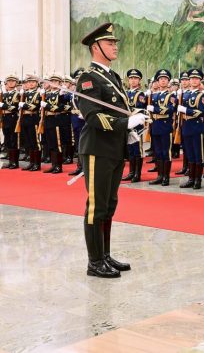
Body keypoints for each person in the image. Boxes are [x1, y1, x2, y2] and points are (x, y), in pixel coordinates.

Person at [76, 22, 147, 278]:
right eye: (109, 43)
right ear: (96, 47)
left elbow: (119, 111)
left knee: (109, 205)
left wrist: (132, 125)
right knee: (96, 206)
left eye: (115, 43)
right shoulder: (88, 79)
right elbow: (93, 116)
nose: (115, 46)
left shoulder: (113, 77)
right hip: (97, 148)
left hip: (114, 148)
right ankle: (94, 262)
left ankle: (104, 255)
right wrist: (125, 123)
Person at [1, 74, 21, 169]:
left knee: (13, 140)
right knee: (7, 139)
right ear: (6, 83)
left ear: (16, 83)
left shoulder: (18, 94)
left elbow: (15, 107)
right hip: (5, 118)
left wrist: (4, 106)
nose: (11, 83)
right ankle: (10, 161)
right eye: (9, 81)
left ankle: (14, 162)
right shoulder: (4, 95)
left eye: (13, 81)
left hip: (13, 118)